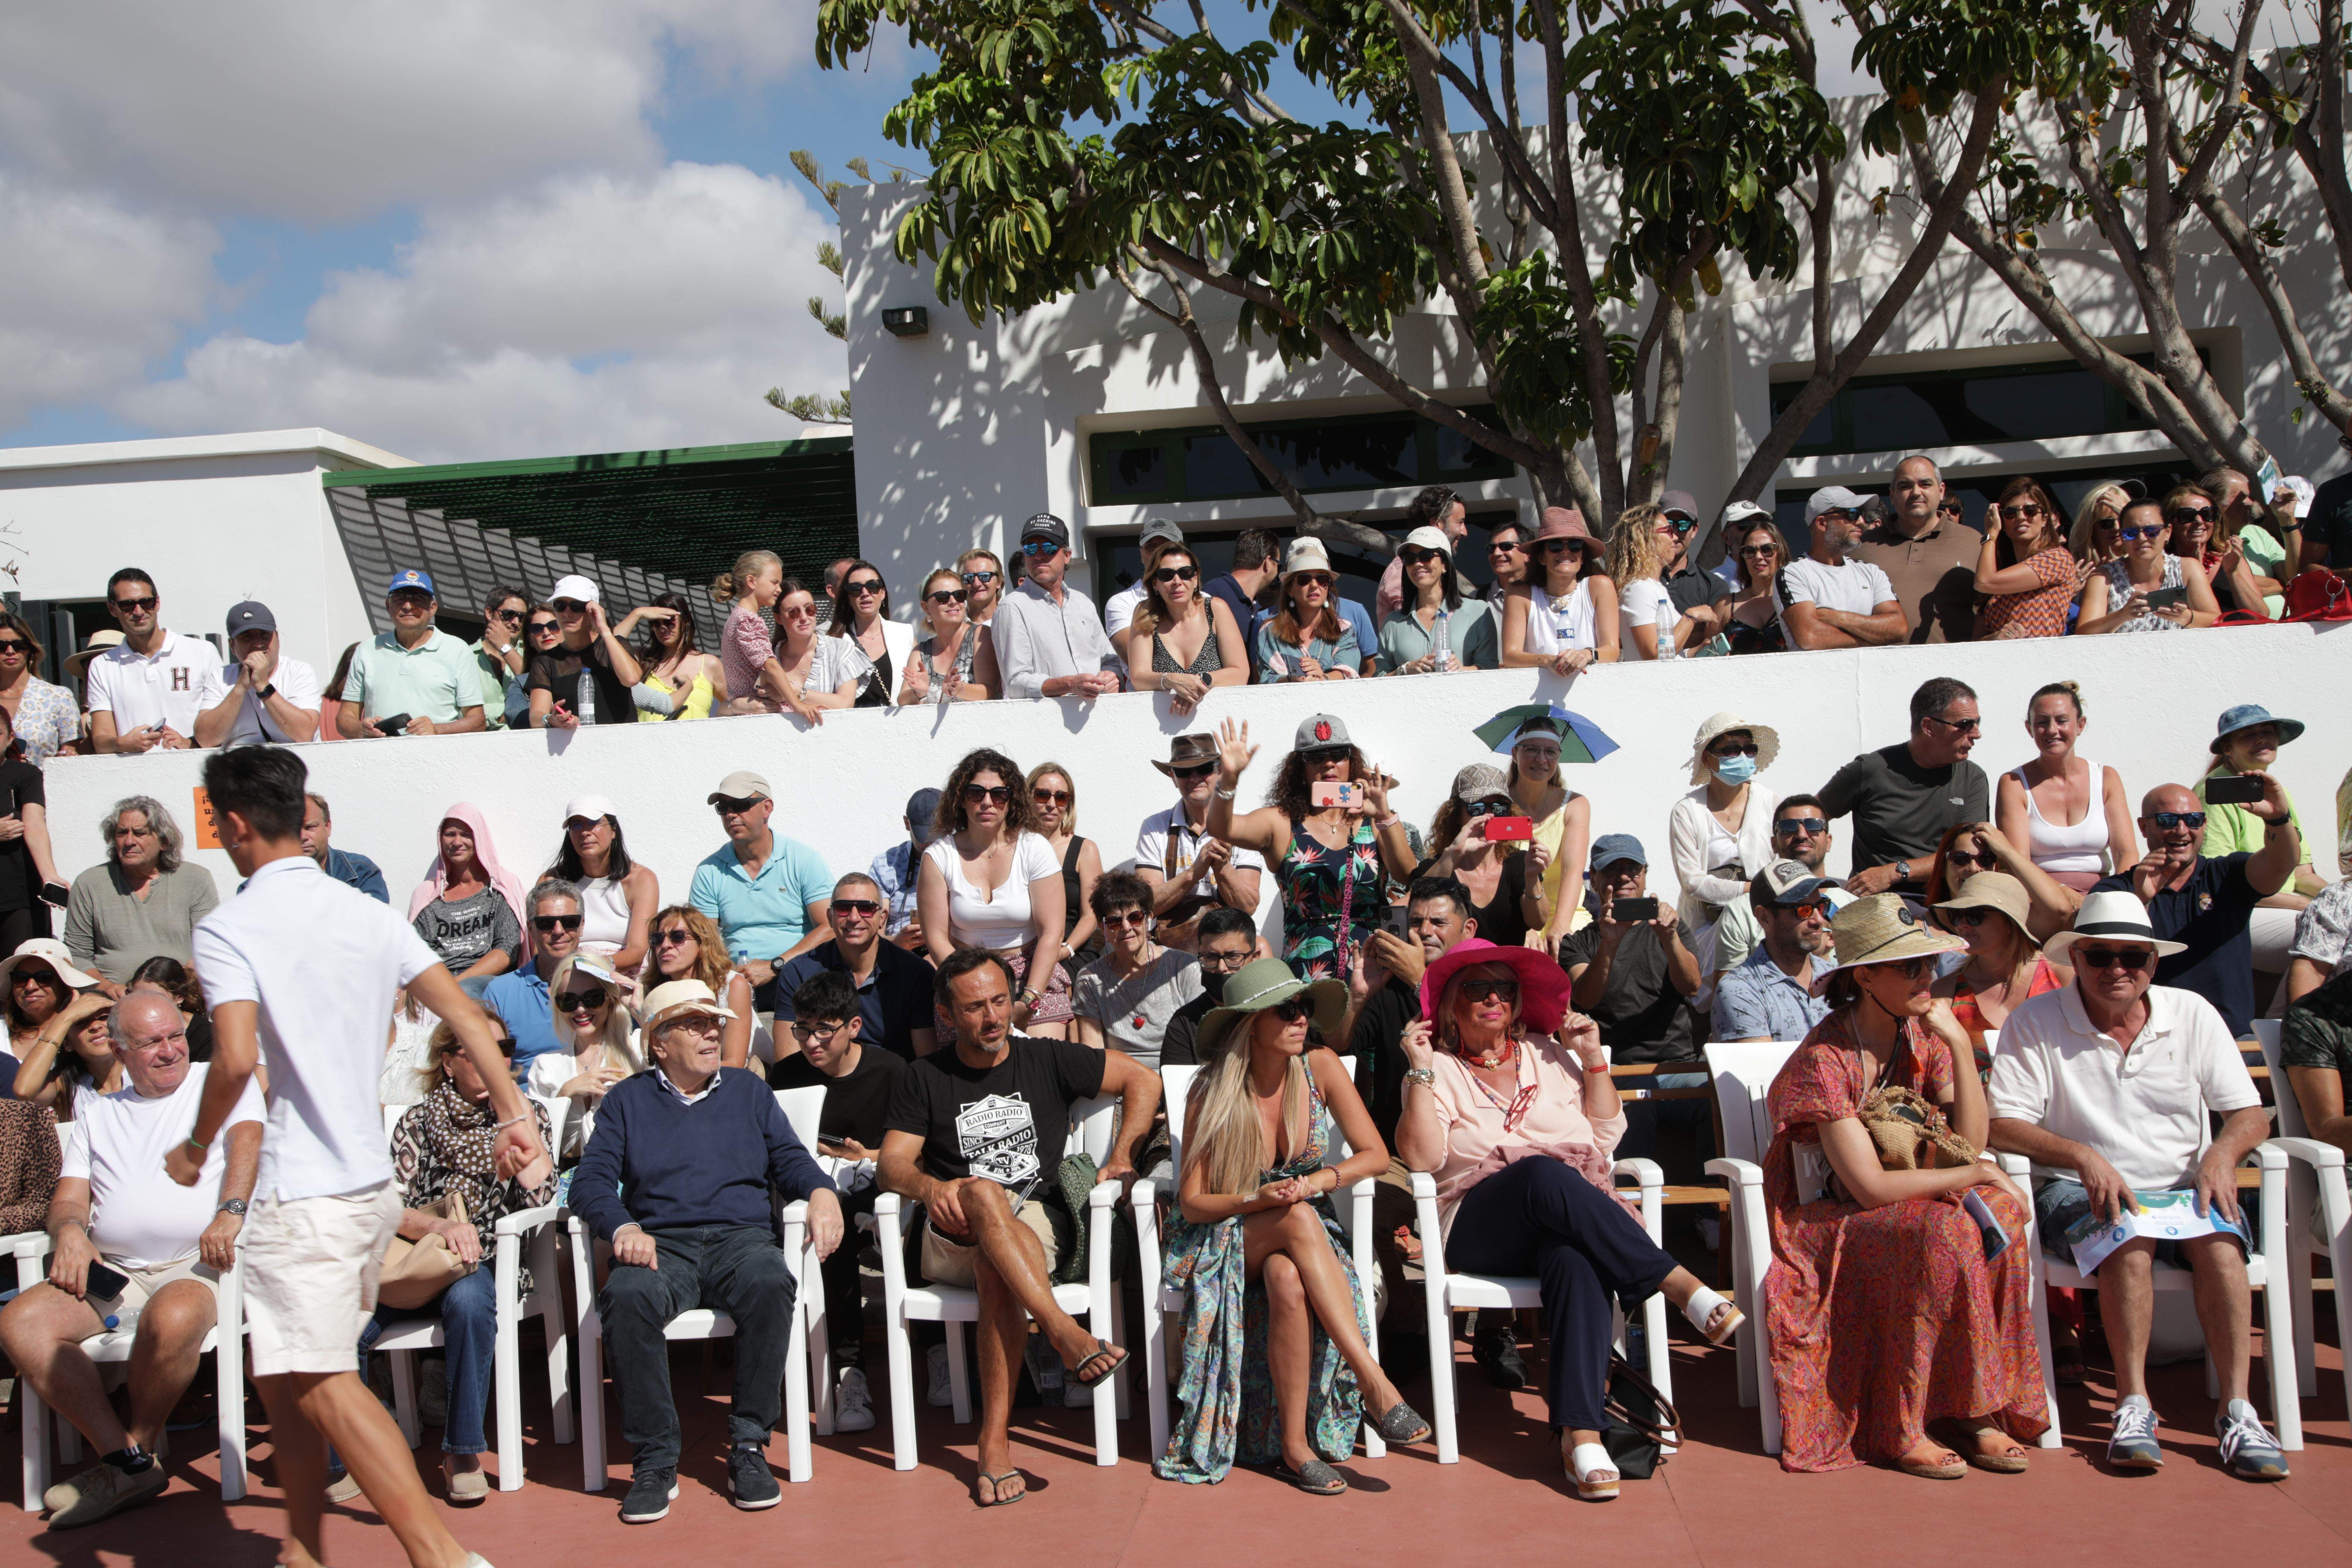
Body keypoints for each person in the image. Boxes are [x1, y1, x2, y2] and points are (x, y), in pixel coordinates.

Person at [172, 743, 545, 1568]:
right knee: (284, 1382)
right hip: (365, 1189)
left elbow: (232, 1060)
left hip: (302, 1196)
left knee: (322, 1384)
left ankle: (442, 1557)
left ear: (234, 824)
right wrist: (514, 1113)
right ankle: (305, 1551)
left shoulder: (229, 927)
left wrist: (194, 1148)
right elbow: (468, 1017)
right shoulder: (370, 915)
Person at [1395, 938, 1740, 1499]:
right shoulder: (1439, 1067)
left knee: (1575, 1258)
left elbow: (1605, 1138)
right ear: (1452, 1004)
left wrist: (1592, 1057)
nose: (1493, 999)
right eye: (1477, 989)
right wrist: (1418, 1071)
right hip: (1482, 1224)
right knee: (1541, 1170)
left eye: (1504, 989)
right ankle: (1674, 1282)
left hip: (1568, 1218)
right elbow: (1421, 1159)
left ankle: (1582, 1435)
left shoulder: (1548, 1053)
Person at [1989, 891, 2287, 1480]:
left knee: (2222, 1246)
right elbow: (2002, 1124)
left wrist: (2221, 1154)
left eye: (2132, 956)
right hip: (2074, 1187)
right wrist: (2082, 1156)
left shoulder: (2192, 1013)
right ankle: (2133, 1405)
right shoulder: (2035, 1020)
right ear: (2077, 958)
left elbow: (2250, 1115)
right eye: (2101, 956)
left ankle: (2238, 1411)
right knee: (2126, 1235)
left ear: (2153, 961)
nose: (2117, 969)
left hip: (2182, 1186)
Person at [1758, 894, 2044, 1476]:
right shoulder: (1827, 1057)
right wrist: (1974, 1173)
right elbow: (1867, 1188)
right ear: (1865, 978)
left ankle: (1972, 1408)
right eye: (1909, 966)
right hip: (1827, 1219)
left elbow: (1970, 1141)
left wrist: (1960, 1045)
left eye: (1929, 963)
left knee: (2001, 1213)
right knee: (1945, 1227)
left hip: (1914, 1200)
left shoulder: (1923, 1037)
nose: (1926, 976)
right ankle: (1903, 1423)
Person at [876, 948, 1158, 1507]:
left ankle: (994, 1445)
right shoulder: (924, 1076)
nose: (993, 1017)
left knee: (998, 1264)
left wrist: (1124, 1153)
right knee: (983, 1192)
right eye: (975, 1007)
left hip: (1033, 1226)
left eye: (1001, 1001)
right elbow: (891, 1166)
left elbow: (1142, 1079)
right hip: (951, 1233)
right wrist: (931, 1189)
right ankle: (1063, 1332)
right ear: (946, 1015)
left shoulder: (1047, 1058)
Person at [1155, 957, 1430, 1491]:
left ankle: (1296, 1448)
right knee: (1297, 1218)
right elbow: (1193, 1204)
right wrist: (1254, 1199)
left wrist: (1318, 1181)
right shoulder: (1211, 1090)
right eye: (1285, 1010)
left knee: (1287, 1277)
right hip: (1227, 1233)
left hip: (1300, 1235)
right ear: (1249, 1023)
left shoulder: (1319, 1068)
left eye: (1303, 1007)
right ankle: (1374, 1383)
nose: (1302, 1018)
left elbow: (1375, 1154)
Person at [572, 978, 842, 1521]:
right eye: (695, 1024)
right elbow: (590, 1183)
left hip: (741, 1240)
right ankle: (654, 1460)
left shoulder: (748, 1091)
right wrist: (622, 1226)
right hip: (662, 1245)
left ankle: (748, 1445)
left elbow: (791, 1160)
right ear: (659, 1041)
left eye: (714, 1022)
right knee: (626, 1295)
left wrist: (821, 1191)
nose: (712, 1033)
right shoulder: (627, 1101)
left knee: (771, 1281)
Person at [0, 991, 262, 1528]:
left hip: (201, 1261)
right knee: (21, 1322)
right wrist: (69, 1232)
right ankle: (127, 1461)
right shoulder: (98, 1112)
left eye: (175, 1037)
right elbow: (69, 1198)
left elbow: (246, 1143)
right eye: (151, 1043)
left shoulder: (220, 1083)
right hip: (117, 1271)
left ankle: (129, 1461)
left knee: (173, 1316)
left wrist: (231, 1211)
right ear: (120, 1050)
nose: (170, 1050)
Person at [371, 1024, 558, 1501]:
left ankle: (462, 1451)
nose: (493, 1058)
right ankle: (344, 1457)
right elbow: (388, 1206)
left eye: (502, 1048)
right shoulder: (418, 1121)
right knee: (342, 1319)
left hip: (491, 1259)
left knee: (470, 1300)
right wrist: (438, 1228)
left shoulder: (526, 1115)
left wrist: (513, 1113)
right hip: (417, 1261)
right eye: (476, 1050)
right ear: (448, 1062)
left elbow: (542, 1197)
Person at [767, 968, 905, 1435]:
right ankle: (849, 1372)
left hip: (885, 1192)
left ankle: (936, 1352)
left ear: (854, 1026)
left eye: (824, 1030)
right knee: (829, 1230)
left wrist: (865, 1156)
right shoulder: (786, 1077)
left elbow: (918, 1148)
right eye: (802, 1030)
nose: (811, 1042)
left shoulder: (891, 1071)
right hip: (816, 1200)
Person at [1206, 714, 1416, 981]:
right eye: (1316, 757)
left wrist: (1384, 815)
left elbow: (1408, 874)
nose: (1329, 763)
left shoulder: (1375, 820)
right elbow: (1222, 829)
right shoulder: (1281, 822)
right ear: (1300, 768)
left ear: (1351, 762)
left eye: (1339, 755)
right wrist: (1230, 779)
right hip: (1308, 976)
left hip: (1373, 971)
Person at [2097, 779, 2301, 1039]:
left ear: (2204, 825)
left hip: (2231, 1041)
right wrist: (2141, 900)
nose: (2182, 830)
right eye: (2168, 821)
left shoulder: (2228, 875)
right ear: (2144, 827)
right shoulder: (2114, 890)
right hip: (2149, 1042)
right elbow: (2102, 957)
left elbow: (2281, 863)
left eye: (2193, 820)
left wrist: (2279, 819)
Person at [1561, 835, 1705, 1166]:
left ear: (1645, 876)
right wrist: (1609, 943)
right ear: (1594, 881)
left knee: (1719, 1098)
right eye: (1613, 870)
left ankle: (1715, 1197)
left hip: (1677, 1067)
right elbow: (1585, 998)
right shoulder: (1578, 943)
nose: (1625, 877)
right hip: (1616, 1070)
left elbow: (1692, 986)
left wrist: (1669, 937)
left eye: (1633, 869)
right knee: (1637, 1100)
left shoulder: (1673, 928)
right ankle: (1631, 1194)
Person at [919, 748, 1072, 1037]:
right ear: (961, 798)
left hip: (1032, 973)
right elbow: (937, 939)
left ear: (1012, 800)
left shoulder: (1035, 849)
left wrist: (1029, 999)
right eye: (976, 793)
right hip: (965, 976)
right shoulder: (939, 857)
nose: (987, 802)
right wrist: (974, 987)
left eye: (1000, 794)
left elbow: (1052, 933)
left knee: (1041, 1059)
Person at [1818, 676, 1991, 898]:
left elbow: (1968, 855)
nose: (1977, 734)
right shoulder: (1870, 770)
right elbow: (1809, 818)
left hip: (1944, 905)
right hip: (1878, 905)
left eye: (1977, 722)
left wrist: (1895, 872)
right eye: (1965, 725)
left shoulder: (1972, 778)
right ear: (1929, 727)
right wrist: (1813, 880)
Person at [2197, 706, 2325, 989]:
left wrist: (2337, 898)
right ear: (2228, 749)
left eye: (2268, 732)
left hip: (2282, 908)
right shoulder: (2216, 792)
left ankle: (2285, 1015)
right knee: (2325, 934)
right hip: (2235, 911)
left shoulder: (2275, 790)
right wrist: (2306, 906)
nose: (2262, 739)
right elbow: (2221, 882)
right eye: (2249, 735)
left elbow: (2302, 874)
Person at [688, 769, 835, 1011]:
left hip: (799, 974)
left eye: (740, 806)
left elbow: (830, 926)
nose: (731, 815)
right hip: (736, 979)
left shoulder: (803, 860)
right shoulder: (709, 871)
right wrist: (729, 973)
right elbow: (703, 939)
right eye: (723, 808)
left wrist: (775, 966)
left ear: (767, 808)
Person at [772, 873, 938, 1061]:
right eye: (843, 908)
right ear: (830, 917)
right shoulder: (799, 972)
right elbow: (788, 1061)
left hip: (894, 1076)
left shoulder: (916, 972)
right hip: (821, 1076)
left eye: (867, 908)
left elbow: (925, 1060)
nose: (854, 917)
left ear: (883, 918)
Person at [1994, 682, 2137, 896]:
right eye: (2042, 722)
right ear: (2029, 729)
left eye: (2062, 721)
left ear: (2080, 725)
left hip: (2103, 893)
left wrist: (2118, 897)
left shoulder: (2106, 778)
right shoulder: (2014, 784)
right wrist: (2062, 894)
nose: (2052, 730)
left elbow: (2126, 853)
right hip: (2040, 897)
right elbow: (2018, 863)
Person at [1668, 714, 1781, 982]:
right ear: (1708, 759)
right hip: (1706, 930)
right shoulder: (1687, 811)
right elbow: (1692, 882)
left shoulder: (1771, 803)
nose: (1742, 756)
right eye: (1731, 749)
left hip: (1766, 925)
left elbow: (1785, 862)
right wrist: (1752, 890)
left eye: (1749, 749)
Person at [64, 796, 219, 989]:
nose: (129, 841)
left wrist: (176, 988)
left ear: (164, 841)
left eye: (140, 833)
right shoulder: (90, 883)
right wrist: (106, 988)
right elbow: (77, 954)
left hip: (178, 994)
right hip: (111, 999)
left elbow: (210, 948)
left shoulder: (195, 879)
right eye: (122, 833)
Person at [1134, 733, 1266, 952]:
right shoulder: (1154, 827)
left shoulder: (1243, 825)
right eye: (1184, 772)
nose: (1195, 778)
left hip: (1232, 941)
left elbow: (1248, 906)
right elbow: (1146, 906)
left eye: (1204, 769)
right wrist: (1194, 872)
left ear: (1220, 771)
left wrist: (1223, 867)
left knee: (1262, 948)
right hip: (1173, 945)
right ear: (1173, 777)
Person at [1929, 873, 2071, 1076]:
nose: (1962, 925)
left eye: (1975, 915)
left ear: (2010, 923)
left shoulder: (2062, 976)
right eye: (1957, 915)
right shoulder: (1945, 992)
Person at [1071, 872, 1203, 1072]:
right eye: (1115, 922)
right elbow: (1094, 1055)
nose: (1126, 927)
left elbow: (1201, 1039)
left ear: (1148, 919)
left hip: (1179, 1073)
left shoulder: (1182, 966)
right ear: (1102, 927)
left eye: (1135, 918)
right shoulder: (1090, 980)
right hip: (1122, 1079)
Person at [338, 569, 489, 739]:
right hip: (380, 753)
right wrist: (363, 730)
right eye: (400, 598)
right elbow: (345, 717)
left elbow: (477, 721)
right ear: (388, 606)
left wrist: (437, 730)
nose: (408, 606)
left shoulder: (458, 649)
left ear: (433, 608)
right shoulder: (367, 649)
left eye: (418, 599)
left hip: (438, 753)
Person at [1849, 456, 1981, 643]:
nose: (1916, 493)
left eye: (1925, 484)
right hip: (1878, 660)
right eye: (1905, 486)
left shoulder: (1974, 542)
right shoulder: (1861, 546)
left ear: (1941, 491)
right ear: (1892, 495)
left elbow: (1992, 608)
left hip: (1957, 660)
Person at [82, 568, 215, 753]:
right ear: (113, 609)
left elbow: (225, 724)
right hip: (133, 770)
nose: (139, 611)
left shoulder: (203, 651)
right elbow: (101, 740)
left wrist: (190, 744)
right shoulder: (102, 666)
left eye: (146, 603)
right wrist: (122, 744)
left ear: (157, 603)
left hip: (196, 768)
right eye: (127, 605)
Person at [1414, 764, 1544, 950]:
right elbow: (1416, 905)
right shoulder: (1437, 866)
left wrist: (1532, 877)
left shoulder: (1519, 863)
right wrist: (1453, 855)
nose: (1489, 816)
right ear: (1456, 814)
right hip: (1453, 966)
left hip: (1504, 967)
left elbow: (1538, 922)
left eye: (1499, 808)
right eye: (1476, 808)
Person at [523, 955, 640, 1158]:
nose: (580, 1009)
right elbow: (533, 1140)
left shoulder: (636, 1048)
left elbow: (679, 1062)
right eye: (568, 1001)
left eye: (592, 998)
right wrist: (565, 1093)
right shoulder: (545, 1066)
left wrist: (639, 1011)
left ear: (610, 998)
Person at [994, 514, 1122, 701]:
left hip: (1097, 714)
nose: (1039, 555)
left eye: (1049, 547)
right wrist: (1069, 684)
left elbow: (1110, 662)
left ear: (1067, 556)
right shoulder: (1012, 607)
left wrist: (1112, 676)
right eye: (1030, 549)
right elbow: (1015, 683)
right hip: (1048, 718)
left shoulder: (1083, 603)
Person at [1711, 862, 1836, 1043]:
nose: (1818, 920)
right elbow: (1761, 1062)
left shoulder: (1837, 979)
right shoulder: (1740, 990)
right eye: (1803, 910)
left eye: (1821, 907)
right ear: (1765, 918)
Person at [479, 880, 592, 1083]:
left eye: (569, 921)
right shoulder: (501, 993)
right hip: (527, 1098)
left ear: (582, 926)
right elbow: (488, 1066)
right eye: (546, 923)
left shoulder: (602, 985)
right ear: (531, 929)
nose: (558, 931)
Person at [406, 806, 527, 989]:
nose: (457, 842)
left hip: (487, 983)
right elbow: (418, 954)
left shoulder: (502, 887)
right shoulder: (427, 894)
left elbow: (507, 949)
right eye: (450, 834)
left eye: (466, 835)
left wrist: (456, 984)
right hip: (438, 983)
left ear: (480, 838)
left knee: (466, 990)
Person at [1124, 540, 1248, 714]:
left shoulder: (1216, 609)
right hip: (1163, 723)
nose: (1177, 581)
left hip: (1217, 719)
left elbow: (1240, 673)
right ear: (1155, 583)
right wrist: (1172, 680)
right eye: (1166, 575)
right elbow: (1138, 678)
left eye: (1185, 573)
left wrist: (1198, 682)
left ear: (1195, 579)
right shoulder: (1144, 614)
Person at [1504, 714, 1594, 952]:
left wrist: (1561, 926)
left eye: (1551, 751)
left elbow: (1572, 869)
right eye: (1532, 749)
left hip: (1563, 911)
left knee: (1576, 956)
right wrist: (1526, 926)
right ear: (1515, 754)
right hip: (1512, 911)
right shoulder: (1499, 803)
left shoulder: (1575, 805)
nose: (1542, 759)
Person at [1777, 487, 1905, 650]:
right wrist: (1872, 639)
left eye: (1862, 514)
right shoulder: (1794, 573)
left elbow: (1898, 628)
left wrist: (1838, 617)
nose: (1861, 522)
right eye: (1852, 514)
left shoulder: (1872, 572)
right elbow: (1811, 637)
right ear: (1822, 523)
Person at [1500, 507, 1619, 672]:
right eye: (1555, 545)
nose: (1566, 550)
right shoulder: (1520, 594)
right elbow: (1510, 657)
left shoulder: (1600, 586)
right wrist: (1548, 661)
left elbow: (1612, 651)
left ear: (1582, 557)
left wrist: (1586, 655)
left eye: (1575, 545)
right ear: (1542, 557)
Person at [188, 600, 321, 747]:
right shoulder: (220, 677)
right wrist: (240, 688)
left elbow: (304, 734)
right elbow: (205, 740)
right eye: (247, 637)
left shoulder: (299, 671)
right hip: (240, 761)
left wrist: (263, 686)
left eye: (265, 635)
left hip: (291, 761)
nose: (258, 644)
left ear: (277, 638)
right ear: (232, 646)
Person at [548, 796, 659, 971]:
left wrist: (594, 967)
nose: (585, 832)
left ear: (614, 830)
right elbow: (541, 948)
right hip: (566, 972)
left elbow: (638, 951)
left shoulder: (641, 879)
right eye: (576, 825)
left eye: (594, 823)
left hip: (622, 973)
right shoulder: (552, 881)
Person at [2077, 496, 2218, 633]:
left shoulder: (2187, 568)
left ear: (2168, 532)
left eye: (2151, 531)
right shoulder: (2103, 577)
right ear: (2122, 537)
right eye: (2131, 533)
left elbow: (2217, 622)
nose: (2141, 538)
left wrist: (2185, 617)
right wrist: (2122, 616)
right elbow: (2083, 633)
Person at [642, 905, 757, 1069]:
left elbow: (735, 1064)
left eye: (677, 937)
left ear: (702, 942)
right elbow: (654, 1057)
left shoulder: (732, 985)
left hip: (727, 1077)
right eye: (658, 939)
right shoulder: (653, 990)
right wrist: (637, 1010)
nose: (665, 945)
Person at [523, 574, 645, 728]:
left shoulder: (615, 645)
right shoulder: (546, 660)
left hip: (620, 739)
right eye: (560, 606)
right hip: (574, 742)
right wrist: (551, 720)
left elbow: (631, 679)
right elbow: (536, 717)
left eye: (577, 607)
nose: (567, 613)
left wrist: (604, 630)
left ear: (593, 611)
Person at [1970, 476, 2080, 640]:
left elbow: (1984, 582)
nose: (2021, 517)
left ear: (2044, 519)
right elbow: (1975, 642)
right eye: (2011, 512)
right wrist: (1996, 637)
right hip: (2000, 657)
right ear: (2003, 522)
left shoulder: (2057, 558)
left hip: (2042, 655)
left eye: (2031, 510)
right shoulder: (1999, 570)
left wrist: (1991, 533)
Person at [1378, 524, 1499, 672]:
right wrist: (1405, 670)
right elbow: (1379, 676)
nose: (1418, 564)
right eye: (1410, 559)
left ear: (1445, 564)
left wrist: (1462, 670)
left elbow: (1490, 667)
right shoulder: (1393, 622)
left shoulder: (1477, 612)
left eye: (1426, 556)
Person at [1608, 504, 1719, 659]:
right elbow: (1654, 655)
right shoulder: (1638, 589)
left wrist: (1692, 653)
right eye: (1668, 531)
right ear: (1646, 539)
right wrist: (1692, 616)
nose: (1675, 537)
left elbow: (1667, 653)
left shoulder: (1653, 586)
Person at [1160, 908, 1264, 1069]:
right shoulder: (1184, 1024)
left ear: (1255, 957)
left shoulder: (1276, 1014)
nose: (1222, 968)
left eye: (1233, 957)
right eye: (1210, 957)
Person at [1255, 537, 1368, 681]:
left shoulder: (1344, 631)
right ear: (1290, 590)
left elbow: (1348, 672)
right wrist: (1291, 679)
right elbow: (1266, 680)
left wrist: (1323, 677)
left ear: (1328, 588)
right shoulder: (1270, 632)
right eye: (1304, 579)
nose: (1315, 585)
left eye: (1322, 580)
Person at [0, 702, 65, 950]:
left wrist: (49, 875)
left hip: (18, 892)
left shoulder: (26, 775)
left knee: (20, 965)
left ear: (10, 738)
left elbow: (35, 824)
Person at [1027, 760, 1104, 971]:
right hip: (1022, 951)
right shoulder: (1013, 846)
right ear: (1028, 798)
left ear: (1069, 804)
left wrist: (1065, 950)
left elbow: (1091, 916)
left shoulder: (1085, 850)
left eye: (1061, 797)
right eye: (1043, 795)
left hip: (1071, 952)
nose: (1052, 804)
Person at [815, 558, 916, 710]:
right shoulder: (829, 639)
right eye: (855, 589)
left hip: (896, 721)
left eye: (873, 586)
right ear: (848, 598)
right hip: (850, 723)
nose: (865, 593)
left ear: (883, 593)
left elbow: (916, 690)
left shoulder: (904, 634)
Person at [4, 938, 99, 1088]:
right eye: (21, 978)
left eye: (44, 978)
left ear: (64, 984)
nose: (30, 986)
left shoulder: (87, 1031)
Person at [2200, 465, 2292, 619]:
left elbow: (2294, 579)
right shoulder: (2200, 542)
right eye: (2242, 498)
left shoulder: (2257, 533)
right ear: (2215, 504)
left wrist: (2288, 520)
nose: (2250, 503)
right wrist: (2281, 585)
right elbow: (2222, 583)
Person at [13, 985, 119, 1116]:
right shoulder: (62, 1084)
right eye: (81, 1022)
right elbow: (24, 1091)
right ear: (68, 1044)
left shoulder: (141, 1068)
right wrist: (66, 1018)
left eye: (104, 1017)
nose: (95, 1026)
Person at [620, 592, 727, 721]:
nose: (663, 628)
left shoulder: (710, 664)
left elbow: (731, 706)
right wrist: (637, 614)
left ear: (686, 622)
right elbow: (608, 647)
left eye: (669, 621)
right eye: (656, 623)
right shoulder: (642, 658)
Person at [901, 567, 1001, 704]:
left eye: (959, 595)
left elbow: (990, 691)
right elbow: (902, 700)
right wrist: (918, 693)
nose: (953, 601)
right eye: (943, 597)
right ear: (926, 608)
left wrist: (959, 688)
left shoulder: (980, 635)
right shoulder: (921, 652)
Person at [712, 550, 795, 712]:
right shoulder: (747, 620)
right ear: (751, 581)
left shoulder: (737, 617)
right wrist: (798, 705)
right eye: (774, 582)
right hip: (756, 710)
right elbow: (771, 666)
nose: (779, 589)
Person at [1373, 484, 1469, 620]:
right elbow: (1414, 626)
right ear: (1437, 523)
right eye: (1460, 522)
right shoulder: (1407, 570)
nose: (1465, 532)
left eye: (1426, 557)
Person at [0, 608, 80, 764]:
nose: (10, 651)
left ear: (30, 648)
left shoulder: (58, 697)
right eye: (1, 646)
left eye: (19, 645)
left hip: (42, 779)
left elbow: (71, 754)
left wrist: (66, 757)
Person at [1203, 528, 1281, 679]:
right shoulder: (1211, 596)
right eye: (1279, 564)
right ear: (1268, 563)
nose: (1278, 571)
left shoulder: (1255, 608)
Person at [873, 787, 944, 949]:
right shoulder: (885, 864)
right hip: (897, 952)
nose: (930, 843)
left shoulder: (962, 859)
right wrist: (897, 944)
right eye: (924, 836)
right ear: (907, 824)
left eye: (937, 834)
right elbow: (875, 933)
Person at [1711, 516, 1792, 654]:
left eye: (1767, 549)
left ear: (1780, 552)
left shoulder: (1796, 601)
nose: (1758, 556)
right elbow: (1709, 657)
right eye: (1750, 551)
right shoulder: (1724, 606)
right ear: (1743, 557)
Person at [1104, 518, 1186, 637]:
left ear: (1183, 553)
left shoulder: (1205, 601)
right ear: (1142, 554)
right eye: (1151, 546)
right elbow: (1131, 649)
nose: (1158, 552)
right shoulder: (1122, 603)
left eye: (1167, 546)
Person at [300, 793, 388, 903]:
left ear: (327, 827)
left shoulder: (361, 872)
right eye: (295, 829)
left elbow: (374, 913)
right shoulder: (279, 875)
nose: (303, 837)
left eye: (310, 827)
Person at [470, 585, 531, 730]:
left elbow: (539, 692)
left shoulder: (532, 652)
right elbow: (461, 711)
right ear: (490, 613)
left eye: (522, 617)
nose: (516, 622)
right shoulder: (465, 656)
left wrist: (505, 647)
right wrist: (517, 712)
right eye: (509, 614)